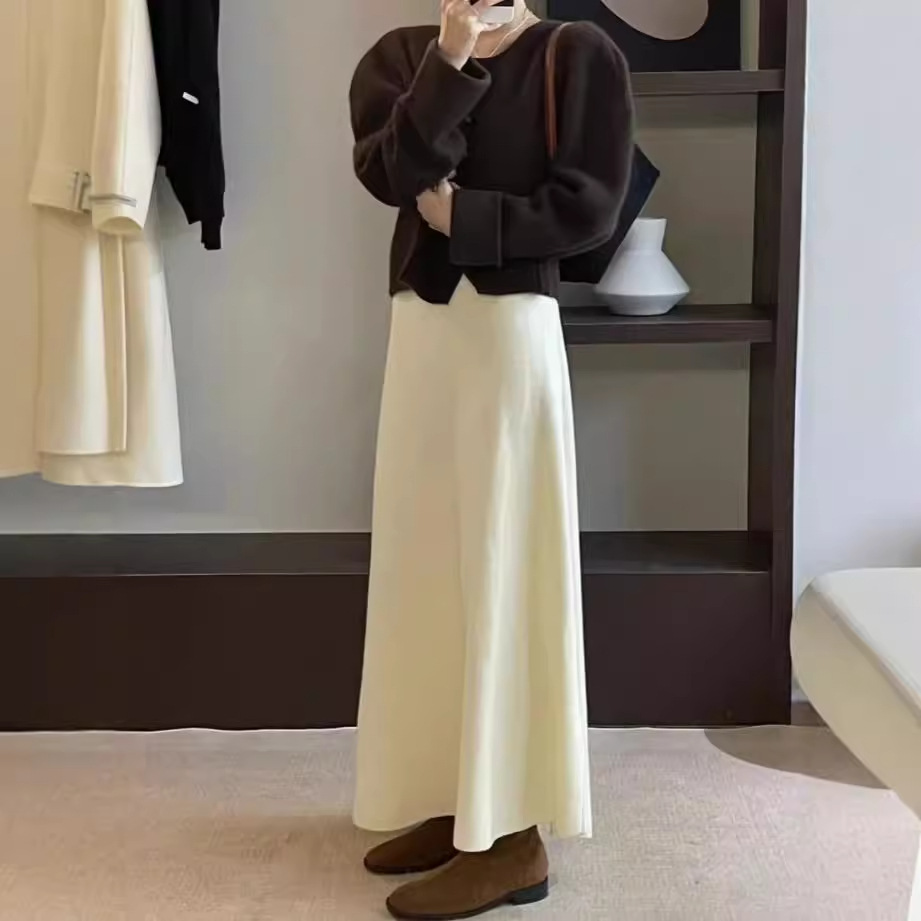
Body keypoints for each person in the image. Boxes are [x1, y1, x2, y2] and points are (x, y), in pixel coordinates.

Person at [349, 2, 634, 917]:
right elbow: (390, 173)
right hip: (421, 330)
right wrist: (451, 57)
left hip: (510, 332)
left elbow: (590, 205)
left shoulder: (577, 52)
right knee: (427, 566)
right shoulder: (401, 55)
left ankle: (512, 839)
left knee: (505, 566)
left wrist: (466, 216)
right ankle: (455, 797)